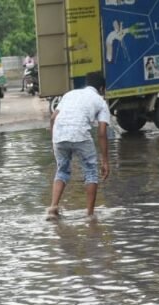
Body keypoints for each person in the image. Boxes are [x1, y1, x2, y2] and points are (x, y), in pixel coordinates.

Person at [47, 71, 111, 219]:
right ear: (102, 89)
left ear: (86, 84)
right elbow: (102, 132)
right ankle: (89, 215)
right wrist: (105, 161)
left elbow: (52, 118)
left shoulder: (69, 94)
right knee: (91, 172)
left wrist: (54, 141)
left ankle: (53, 208)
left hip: (59, 134)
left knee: (62, 170)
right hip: (80, 134)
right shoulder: (100, 101)